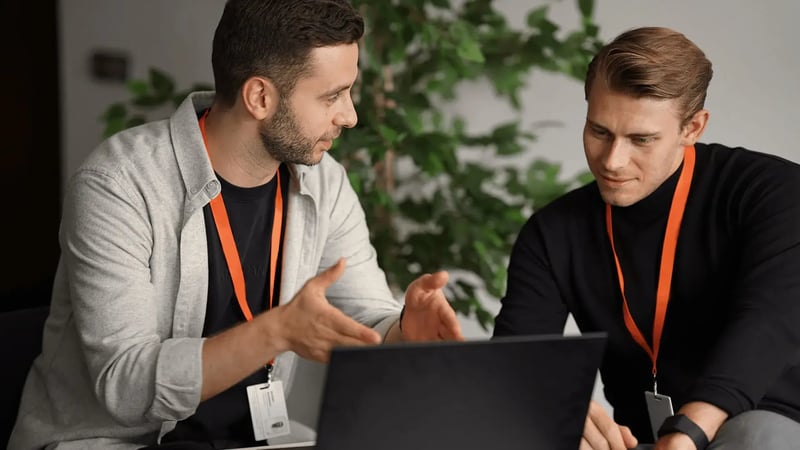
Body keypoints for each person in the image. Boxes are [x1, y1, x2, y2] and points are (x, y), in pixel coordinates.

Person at [8, 1, 463, 449]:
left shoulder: (324, 183)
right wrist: (275, 331)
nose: (350, 115)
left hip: (251, 441)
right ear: (260, 97)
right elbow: (125, 387)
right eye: (332, 96)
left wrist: (402, 331)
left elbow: (366, 316)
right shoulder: (118, 184)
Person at [493, 26, 800, 450]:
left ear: (693, 128)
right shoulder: (553, 232)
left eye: (641, 140)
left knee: (755, 436)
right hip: (645, 443)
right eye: (599, 131)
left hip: (772, 428)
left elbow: (768, 324)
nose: (613, 161)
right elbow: (517, 370)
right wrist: (554, 412)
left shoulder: (773, 193)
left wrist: (688, 431)